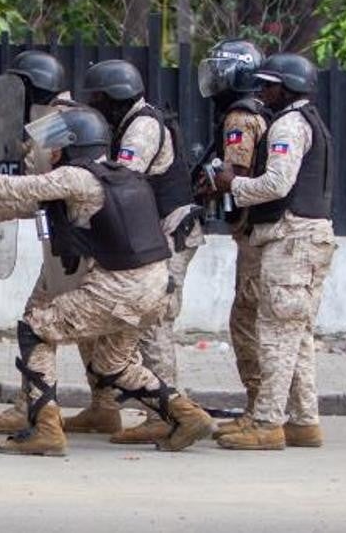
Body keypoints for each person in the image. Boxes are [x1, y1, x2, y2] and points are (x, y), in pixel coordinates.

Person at [0, 107, 216, 456]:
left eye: (57, 148)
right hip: (152, 285)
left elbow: (21, 187)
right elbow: (44, 206)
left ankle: (46, 428)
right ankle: (188, 415)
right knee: (113, 365)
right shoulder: (118, 174)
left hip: (120, 287)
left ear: (76, 145)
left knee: (36, 328)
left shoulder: (78, 177)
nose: (52, 155)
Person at [64, 59, 205, 444]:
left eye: (96, 98)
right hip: (148, 238)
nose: (93, 105)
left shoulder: (142, 127)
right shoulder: (128, 121)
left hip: (168, 235)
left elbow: (120, 178)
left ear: (113, 97)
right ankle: (105, 408)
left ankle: (165, 414)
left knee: (152, 324)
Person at [209, 54, 336, 450]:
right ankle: (303, 420)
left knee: (276, 332)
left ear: (286, 88)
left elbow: (278, 183)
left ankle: (266, 423)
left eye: (268, 85)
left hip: (291, 236)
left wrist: (233, 185)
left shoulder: (289, 125)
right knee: (296, 334)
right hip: (308, 235)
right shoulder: (308, 120)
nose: (261, 92)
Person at [0, 50, 83, 434]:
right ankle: (104, 407)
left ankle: (31, 409)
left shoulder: (50, 124)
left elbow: (41, 193)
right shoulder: (67, 116)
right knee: (95, 335)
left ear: (30, 87)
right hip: (86, 243)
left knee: (35, 321)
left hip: (76, 246)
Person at [192, 39, 270, 432]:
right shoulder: (264, 109)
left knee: (246, 320)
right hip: (263, 232)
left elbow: (233, 176)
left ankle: (260, 408)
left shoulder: (239, 117)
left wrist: (209, 185)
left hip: (257, 234)